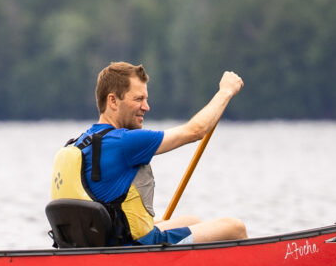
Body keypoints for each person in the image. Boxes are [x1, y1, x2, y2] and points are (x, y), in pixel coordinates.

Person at [49, 62, 248, 245]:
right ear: (113, 101)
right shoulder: (125, 141)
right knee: (234, 227)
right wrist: (225, 91)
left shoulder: (82, 142)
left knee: (192, 221)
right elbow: (195, 131)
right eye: (139, 99)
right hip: (136, 249)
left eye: (146, 99)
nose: (146, 107)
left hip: (108, 242)